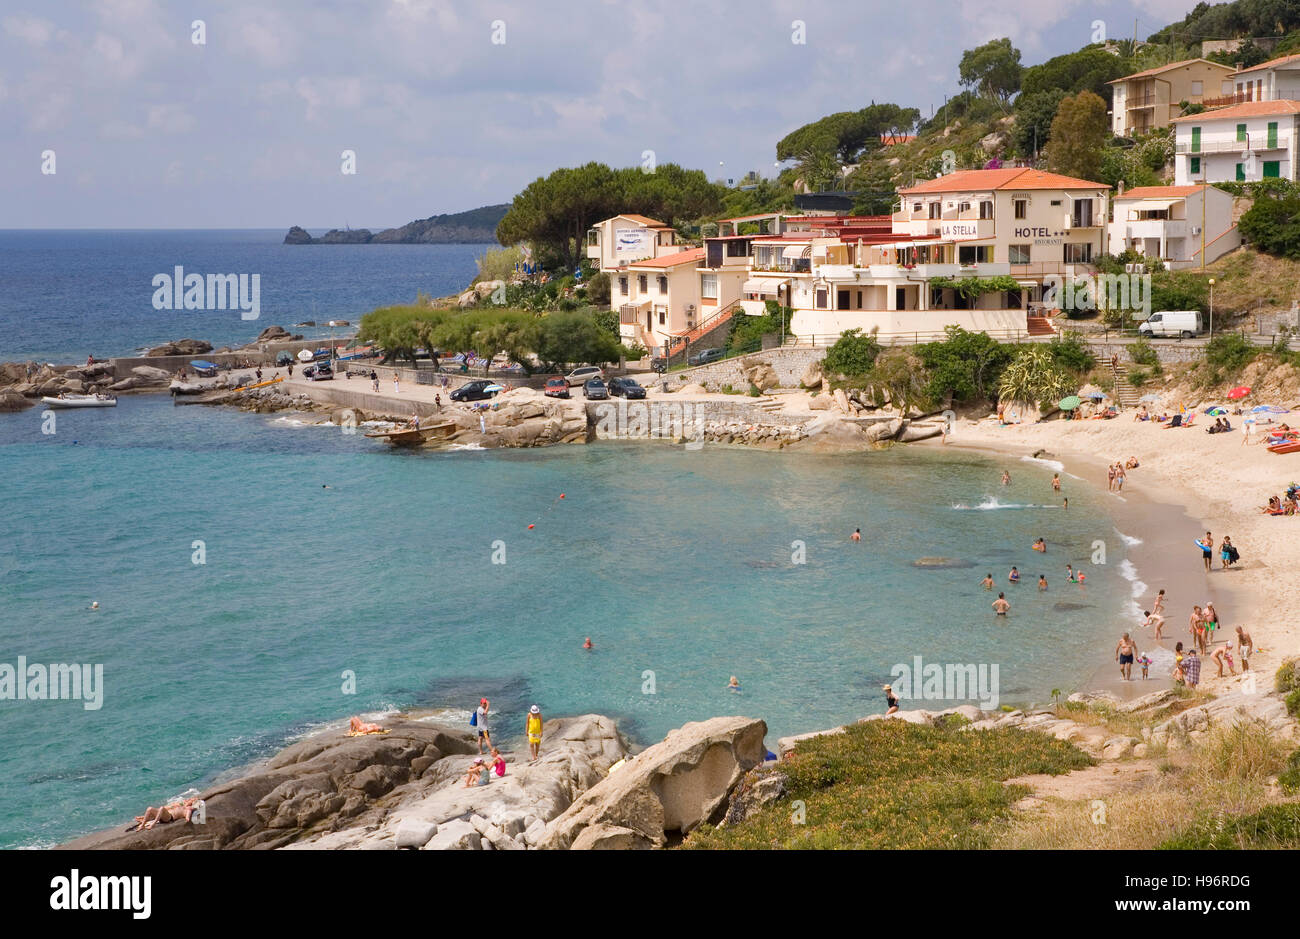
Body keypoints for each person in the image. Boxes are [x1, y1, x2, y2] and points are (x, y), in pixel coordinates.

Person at [133, 797, 200, 831]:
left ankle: (152, 825)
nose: (188, 800)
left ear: (192, 803)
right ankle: (142, 825)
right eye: (189, 799)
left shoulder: (188, 809)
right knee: (149, 808)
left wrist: (193, 811)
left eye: (190, 800)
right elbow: (169, 808)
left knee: (162, 808)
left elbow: (187, 818)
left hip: (169, 818)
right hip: (164, 815)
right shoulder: (181, 805)